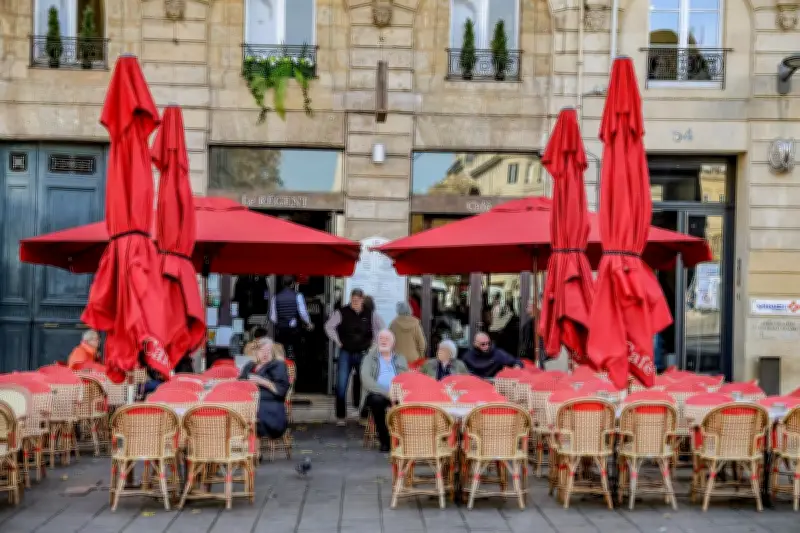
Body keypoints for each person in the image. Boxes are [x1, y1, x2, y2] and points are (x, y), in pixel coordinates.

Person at [325, 288, 385, 426]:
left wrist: (374, 344)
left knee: (364, 384)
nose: (354, 303)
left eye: (357, 301)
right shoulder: (342, 312)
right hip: (346, 351)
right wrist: (337, 340)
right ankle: (340, 416)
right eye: (353, 301)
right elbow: (329, 326)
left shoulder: (371, 314)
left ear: (362, 300)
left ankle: (363, 415)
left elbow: (380, 328)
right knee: (341, 384)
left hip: (363, 352)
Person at [359, 329, 409, 452]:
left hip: (397, 394)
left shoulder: (400, 358)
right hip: (377, 394)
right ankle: (385, 441)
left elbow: (405, 378)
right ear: (377, 341)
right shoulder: (369, 358)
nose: (383, 341)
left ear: (393, 343)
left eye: (387, 339)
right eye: (381, 338)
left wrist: (397, 392)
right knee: (377, 402)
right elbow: (366, 379)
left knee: (407, 404)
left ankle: (405, 441)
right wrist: (387, 393)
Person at [239, 336, 291, 439]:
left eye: (268, 350)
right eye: (262, 350)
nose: (265, 353)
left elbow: (281, 390)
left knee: (249, 419)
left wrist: (262, 381)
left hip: (269, 408)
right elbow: (240, 382)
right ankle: (246, 450)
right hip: (249, 403)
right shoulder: (250, 365)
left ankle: (253, 451)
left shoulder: (277, 365)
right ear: (256, 352)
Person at [270, 275, 313, 360]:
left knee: (281, 355)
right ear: (293, 284)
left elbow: (273, 317)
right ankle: (294, 369)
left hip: (281, 331)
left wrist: (281, 322)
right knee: (296, 354)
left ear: (282, 283)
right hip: (294, 331)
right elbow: (303, 313)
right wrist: (309, 323)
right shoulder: (298, 296)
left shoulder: (275, 297)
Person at [388, 301, 426, 366]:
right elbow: (422, 343)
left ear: (398, 311)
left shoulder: (393, 324)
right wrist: (420, 355)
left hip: (398, 359)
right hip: (414, 358)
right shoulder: (416, 324)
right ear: (410, 310)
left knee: (400, 376)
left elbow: (388, 342)